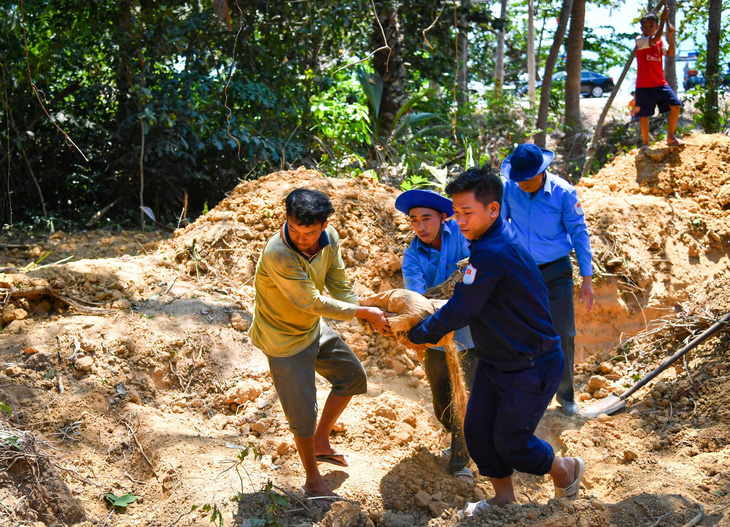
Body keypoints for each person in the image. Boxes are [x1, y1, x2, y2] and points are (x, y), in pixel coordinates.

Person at [405, 166, 585, 516]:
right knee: (477, 433)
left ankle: (565, 469)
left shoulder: (493, 252)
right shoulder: (485, 244)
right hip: (496, 361)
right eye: (456, 213)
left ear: (493, 209)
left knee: (513, 444)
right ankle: (503, 499)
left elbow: (462, 308)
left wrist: (418, 333)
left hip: (531, 365)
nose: (459, 220)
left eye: (467, 213)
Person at [248, 188, 391, 510]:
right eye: (295, 229)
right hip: (283, 339)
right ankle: (313, 479)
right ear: (286, 218)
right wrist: (361, 312)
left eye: (309, 232)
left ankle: (321, 441)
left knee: (352, 378)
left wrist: (360, 312)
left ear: (325, 225)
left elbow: (338, 281)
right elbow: (309, 301)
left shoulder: (331, 238)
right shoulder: (278, 253)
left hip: (312, 328)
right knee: (302, 414)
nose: (300, 237)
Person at [500, 143, 594, 416]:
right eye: (518, 179)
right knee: (521, 334)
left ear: (542, 172)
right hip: (520, 272)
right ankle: (528, 395)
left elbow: (579, 233)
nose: (522, 184)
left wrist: (587, 277)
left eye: (527, 178)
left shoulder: (564, 193)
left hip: (556, 272)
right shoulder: (509, 189)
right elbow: (501, 225)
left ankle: (565, 396)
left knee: (563, 333)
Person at [396, 188, 479, 483]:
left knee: (464, 400)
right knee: (440, 399)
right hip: (435, 336)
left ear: (443, 218)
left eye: (426, 218)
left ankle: (461, 463)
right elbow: (419, 299)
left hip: (472, 335)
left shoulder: (462, 234)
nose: (420, 226)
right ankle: (458, 441)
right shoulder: (411, 256)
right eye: (414, 220)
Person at [634, 8, 683, 148]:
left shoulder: (661, 41)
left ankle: (670, 137)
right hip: (643, 86)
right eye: (645, 26)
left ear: (656, 27)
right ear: (641, 28)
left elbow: (670, 53)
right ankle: (646, 144)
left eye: (651, 26)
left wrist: (670, 36)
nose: (648, 29)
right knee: (644, 116)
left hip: (660, 84)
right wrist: (663, 19)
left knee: (676, 105)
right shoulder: (640, 40)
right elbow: (653, 38)